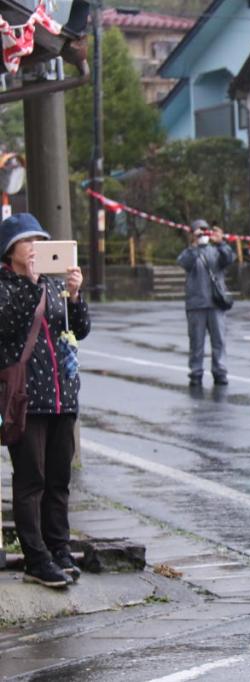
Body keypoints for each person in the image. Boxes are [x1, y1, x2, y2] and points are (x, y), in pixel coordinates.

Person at [0, 213, 90, 588]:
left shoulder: (54, 286)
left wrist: (75, 296)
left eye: (40, 240)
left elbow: (78, 329)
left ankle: (59, 549)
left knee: (58, 479)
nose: (35, 247)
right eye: (27, 241)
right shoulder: (5, 287)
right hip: (25, 399)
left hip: (62, 396)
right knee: (31, 481)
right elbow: (8, 325)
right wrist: (30, 285)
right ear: (10, 251)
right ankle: (36, 559)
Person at [177, 219, 235, 387]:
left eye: (205, 230)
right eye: (199, 230)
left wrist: (221, 242)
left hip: (216, 303)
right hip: (196, 304)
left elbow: (229, 258)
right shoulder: (190, 252)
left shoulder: (216, 250)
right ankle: (196, 372)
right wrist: (195, 245)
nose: (203, 233)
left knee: (219, 340)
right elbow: (184, 263)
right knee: (196, 342)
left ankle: (220, 371)